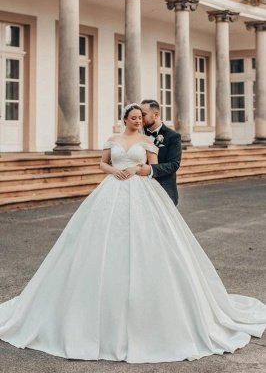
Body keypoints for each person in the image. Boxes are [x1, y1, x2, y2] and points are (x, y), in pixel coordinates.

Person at [0, 103, 265, 364]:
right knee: (95, 242)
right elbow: (102, 163)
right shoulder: (112, 139)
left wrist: (139, 170)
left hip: (141, 192)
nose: (138, 121)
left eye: (141, 117)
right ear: (125, 119)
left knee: (148, 244)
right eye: (134, 117)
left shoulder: (148, 142)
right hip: (111, 190)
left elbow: (154, 167)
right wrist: (114, 170)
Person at [138, 99, 181, 206]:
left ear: (156, 114)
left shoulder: (173, 136)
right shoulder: (138, 135)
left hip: (164, 189)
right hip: (140, 190)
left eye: (143, 115)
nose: (140, 119)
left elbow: (174, 164)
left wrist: (150, 169)